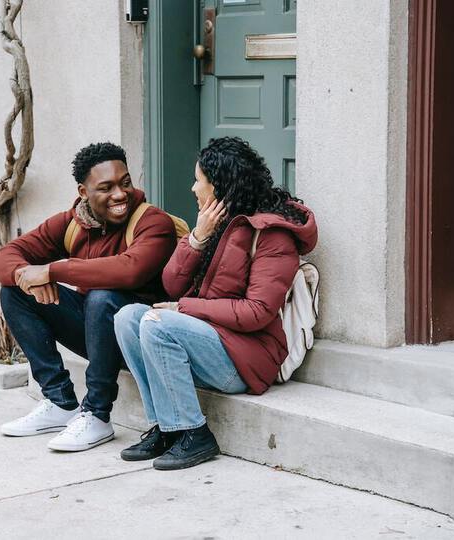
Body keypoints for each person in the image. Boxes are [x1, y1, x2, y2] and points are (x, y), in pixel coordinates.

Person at [113, 137, 318, 470]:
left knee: (157, 323)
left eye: (199, 180)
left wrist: (185, 309)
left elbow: (256, 312)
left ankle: (194, 434)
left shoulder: (271, 236)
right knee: (127, 318)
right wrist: (196, 239)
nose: (193, 188)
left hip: (246, 360)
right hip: (210, 341)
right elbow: (172, 285)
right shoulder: (215, 225)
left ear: (220, 185)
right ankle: (166, 427)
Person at [0, 142, 177, 452]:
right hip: (97, 333)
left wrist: (51, 271)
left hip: (140, 341)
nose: (120, 194)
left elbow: (129, 271)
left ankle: (97, 414)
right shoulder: (73, 224)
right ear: (83, 191)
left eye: (125, 182)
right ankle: (60, 402)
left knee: (102, 297)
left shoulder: (153, 222)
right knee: (14, 291)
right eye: (106, 187)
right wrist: (29, 278)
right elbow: (3, 258)